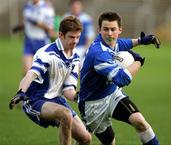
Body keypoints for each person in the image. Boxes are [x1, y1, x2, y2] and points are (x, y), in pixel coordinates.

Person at [78, 11, 160, 145]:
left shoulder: (112, 42)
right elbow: (122, 79)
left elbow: (121, 44)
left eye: (113, 29)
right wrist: (139, 61)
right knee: (109, 142)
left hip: (112, 94)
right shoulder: (98, 53)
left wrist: (140, 41)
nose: (109, 33)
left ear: (119, 30)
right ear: (99, 30)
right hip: (93, 105)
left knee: (139, 121)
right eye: (105, 29)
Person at [9, 16, 91, 145]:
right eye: (71, 37)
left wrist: (78, 97)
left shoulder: (75, 58)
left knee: (86, 139)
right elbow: (30, 75)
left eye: (77, 37)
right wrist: (21, 92)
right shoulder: (47, 53)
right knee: (65, 114)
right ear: (60, 35)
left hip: (56, 100)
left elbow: (68, 90)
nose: (75, 41)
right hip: (36, 99)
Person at [12, 0, 56, 74]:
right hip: (29, 42)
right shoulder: (27, 6)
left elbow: (50, 28)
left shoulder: (47, 7)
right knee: (27, 72)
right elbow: (27, 21)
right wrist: (19, 27)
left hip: (42, 43)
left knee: (43, 73)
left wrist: (35, 22)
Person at [63, 0, 95, 67]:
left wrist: (86, 51)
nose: (76, 8)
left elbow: (90, 37)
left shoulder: (86, 19)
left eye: (78, 6)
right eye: (74, 6)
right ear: (71, 7)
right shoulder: (65, 18)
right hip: (68, 48)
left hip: (81, 48)